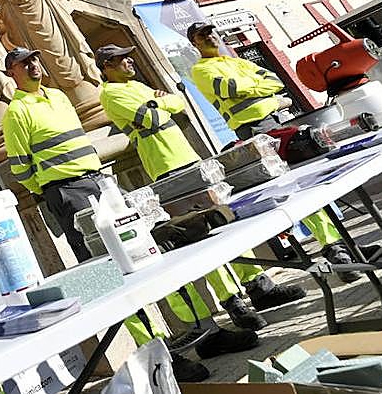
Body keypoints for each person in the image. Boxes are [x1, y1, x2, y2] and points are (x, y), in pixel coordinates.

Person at [0, 47, 258, 379]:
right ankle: (160, 355)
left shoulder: (60, 97)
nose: (33, 65)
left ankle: (206, 332)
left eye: (34, 59)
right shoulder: (16, 112)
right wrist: (52, 189)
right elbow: (21, 169)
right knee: (111, 275)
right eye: (23, 63)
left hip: (100, 182)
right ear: (12, 73)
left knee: (152, 252)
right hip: (67, 192)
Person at [95, 43, 306, 323]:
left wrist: (161, 102)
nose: (130, 61)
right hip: (166, 168)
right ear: (107, 66)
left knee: (226, 220)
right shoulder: (111, 93)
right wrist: (161, 103)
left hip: (189, 159)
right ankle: (232, 302)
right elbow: (152, 118)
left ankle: (259, 286)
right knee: (199, 234)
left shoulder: (137, 87)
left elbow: (178, 103)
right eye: (123, 58)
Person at [187, 22, 364, 282]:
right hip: (255, 129)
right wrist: (271, 97)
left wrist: (261, 93)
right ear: (195, 43)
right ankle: (334, 249)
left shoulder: (236, 62)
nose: (211, 37)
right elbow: (233, 89)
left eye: (211, 32)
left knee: (309, 179)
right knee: (293, 185)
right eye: (202, 35)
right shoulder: (201, 70)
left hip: (277, 120)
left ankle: (343, 245)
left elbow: (275, 80)